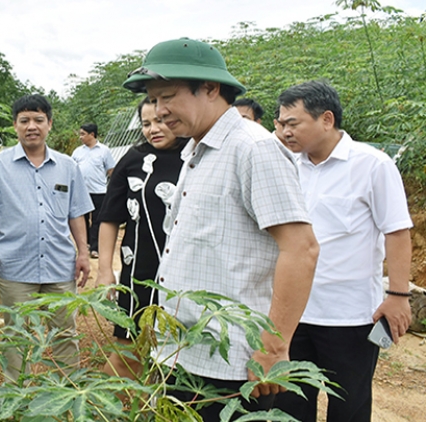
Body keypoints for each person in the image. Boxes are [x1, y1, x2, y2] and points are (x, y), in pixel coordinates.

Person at [121, 38, 319, 420]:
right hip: (184, 352)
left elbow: (302, 249)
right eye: (154, 101)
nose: (159, 112)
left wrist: (273, 347)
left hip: (230, 364)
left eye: (167, 97)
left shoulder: (252, 148)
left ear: (210, 88)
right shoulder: (195, 150)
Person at [273, 80, 413, 422]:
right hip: (293, 315)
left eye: (293, 123)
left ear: (326, 119)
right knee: (290, 406)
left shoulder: (372, 165)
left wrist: (397, 295)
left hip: (348, 318)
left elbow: (396, 230)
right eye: (280, 124)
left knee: (349, 408)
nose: (284, 132)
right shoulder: (286, 167)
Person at [0, 94, 94, 383]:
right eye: (24, 120)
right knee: (16, 335)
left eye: (39, 120)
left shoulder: (67, 166)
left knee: (64, 332)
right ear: (15, 126)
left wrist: (84, 252)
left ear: (49, 124)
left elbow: (77, 213)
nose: (31, 126)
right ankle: (17, 394)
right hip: (14, 266)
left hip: (60, 265)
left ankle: (64, 392)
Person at [97, 97, 187, 381]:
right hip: (140, 272)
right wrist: (103, 271)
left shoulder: (198, 156)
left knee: (179, 361)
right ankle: (102, 409)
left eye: (160, 121)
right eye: (146, 123)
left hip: (187, 274)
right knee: (128, 352)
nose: (153, 129)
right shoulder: (134, 159)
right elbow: (110, 217)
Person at [71, 123, 116, 258]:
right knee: (82, 220)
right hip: (81, 191)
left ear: (92, 134)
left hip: (99, 191)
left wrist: (114, 189)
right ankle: (86, 244)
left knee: (97, 220)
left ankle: (95, 248)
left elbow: (111, 170)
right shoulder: (78, 152)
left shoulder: (104, 151)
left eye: (83, 134)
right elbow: (72, 170)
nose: (80, 137)